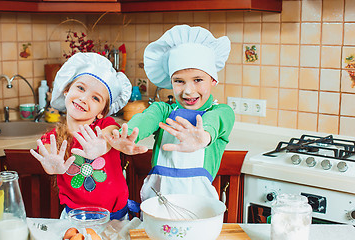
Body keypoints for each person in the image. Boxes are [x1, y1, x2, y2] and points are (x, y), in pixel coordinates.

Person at [105, 25, 235, 201]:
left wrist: (204, 136)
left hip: (198, 204)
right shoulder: (162, 111)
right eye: (179, 81)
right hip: (157, 201)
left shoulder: (221, 112)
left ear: (213, 80)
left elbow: (215, 121)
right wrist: (127, 135)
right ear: (170, 82)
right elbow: (145, 120)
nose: (188, 91)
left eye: (198, 80)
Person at [30, 52, 136, 220]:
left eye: (95, 98)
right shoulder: (53, 137)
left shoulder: (105, 126)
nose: (84, 98)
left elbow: (112, 133)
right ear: (66, 90)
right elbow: (48, 151)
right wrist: (51, 165)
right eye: (80, 88)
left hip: (115, 219)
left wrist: (105, 143)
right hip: (75, 220)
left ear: (102, 112)